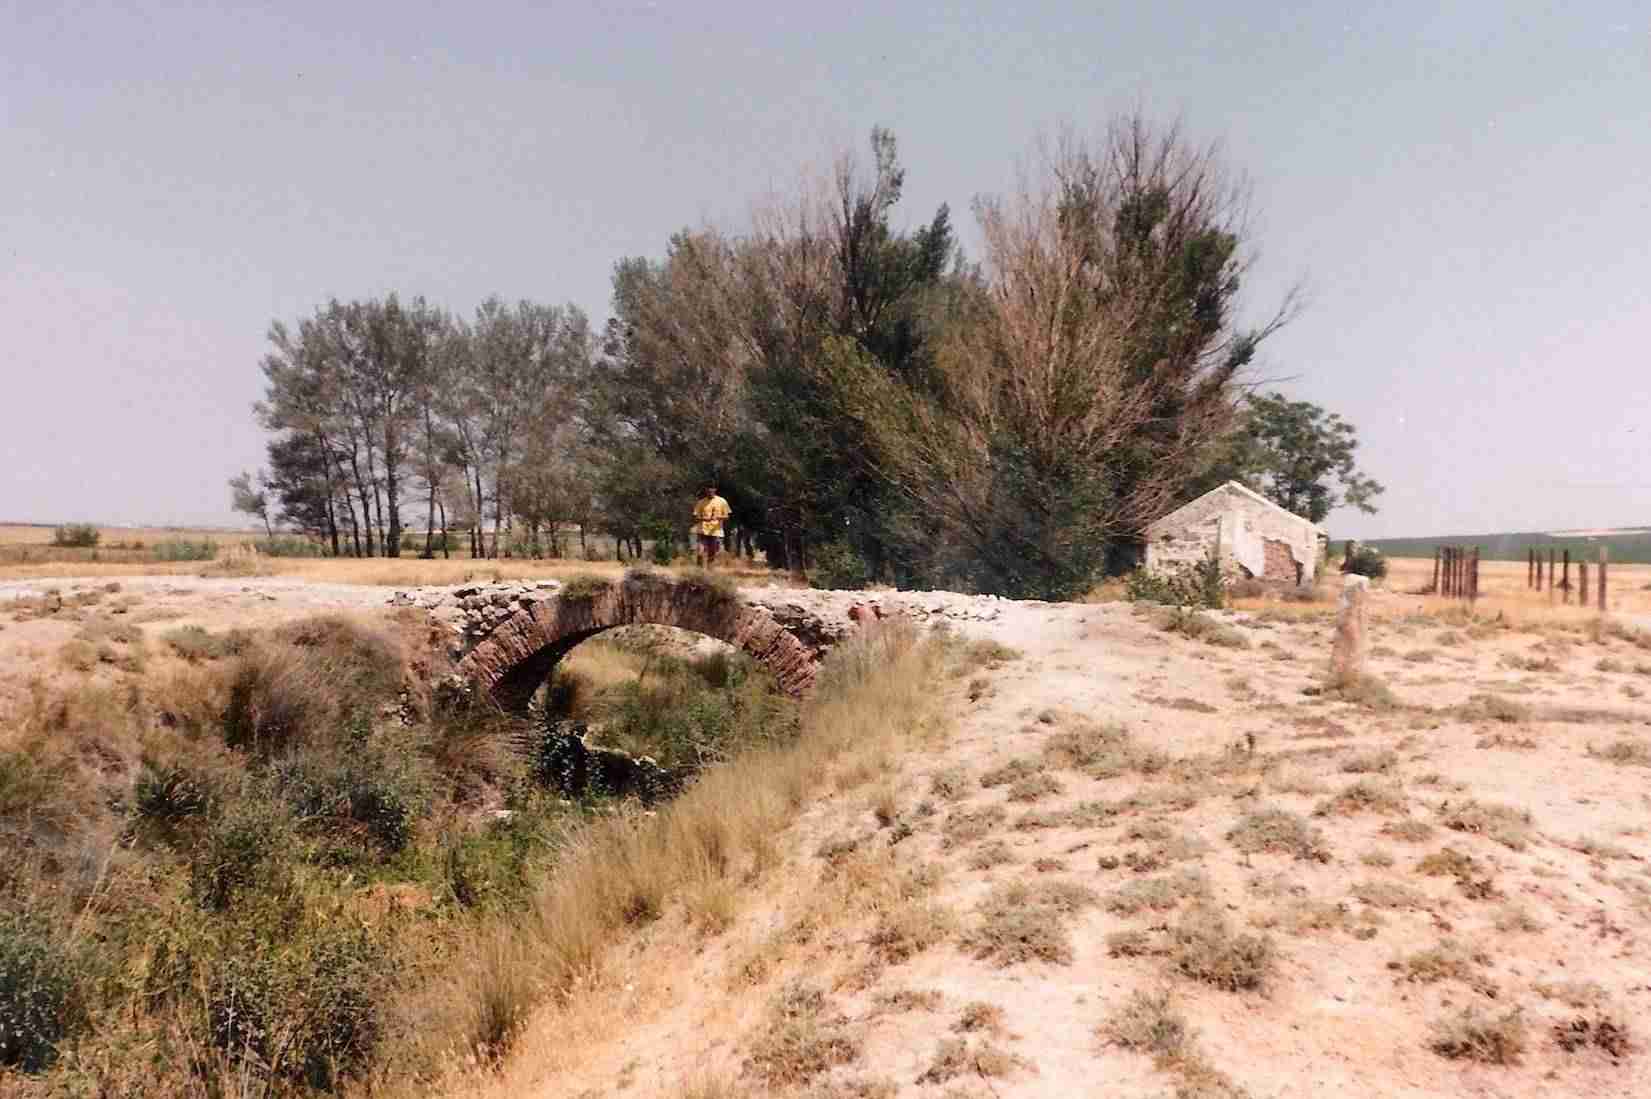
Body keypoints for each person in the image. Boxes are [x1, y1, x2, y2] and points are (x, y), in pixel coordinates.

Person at [692, 484, 732, 567]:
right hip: (702, 530)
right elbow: (695, 517)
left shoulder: (722, 501)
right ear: (705, 491)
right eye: (707, 491)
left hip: (716, 531)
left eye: (711, 490)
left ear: (715, 490)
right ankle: (698, 569)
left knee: (712, 552)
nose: (709, 492)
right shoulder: (701, 502)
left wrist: (718, 517)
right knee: (700, 550)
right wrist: (704, 519)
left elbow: (727, 517)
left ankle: (710, 569)